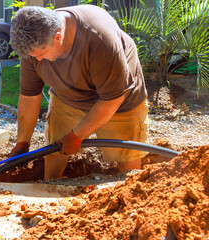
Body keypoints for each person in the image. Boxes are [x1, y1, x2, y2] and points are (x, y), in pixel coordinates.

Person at [9, 5, 148, 180]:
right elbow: (29, 97)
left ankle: (130, 196)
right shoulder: (32, 48)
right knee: (55, 150)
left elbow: (112, 99)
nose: (37, 60)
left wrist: (77, 135)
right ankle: (50, 190)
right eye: (33, 56)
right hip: (67, 97)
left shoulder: (100, 39)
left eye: (41, 54)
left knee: (126, 157)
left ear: (58, 37)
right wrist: (22, 141)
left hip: (118, 100)